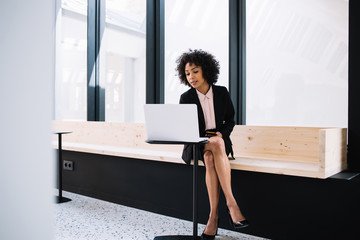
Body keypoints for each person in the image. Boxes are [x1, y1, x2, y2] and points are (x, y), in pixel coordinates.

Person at [176, 49, 249, 239]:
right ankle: (232, 204)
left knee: (211, 156)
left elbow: (230, 121)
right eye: (187, 73)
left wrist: (220, 135)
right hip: (196, 143)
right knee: (213, 147)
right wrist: (208, 139)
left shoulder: (222, 92)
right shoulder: (186, 98)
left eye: (195, 71)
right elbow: (186, 129)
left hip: (218, 141)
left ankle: (213, 217)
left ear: (206, 70)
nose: (191, 77)